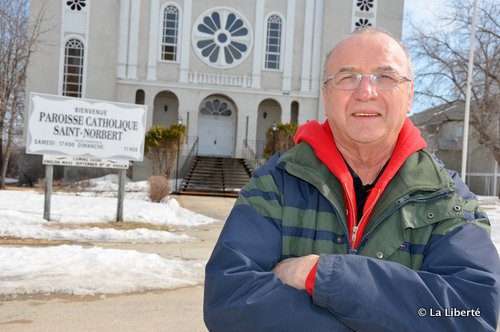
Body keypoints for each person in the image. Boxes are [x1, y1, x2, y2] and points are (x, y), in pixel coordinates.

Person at [203, 28, 500, 331]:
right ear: (326, 95)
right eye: (347, 77)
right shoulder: (276, 185)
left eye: (385, 77)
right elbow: (229, 300)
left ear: (409, 95)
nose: (365, 92)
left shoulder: (448, 199)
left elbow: (471, 315)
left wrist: (325, 276)